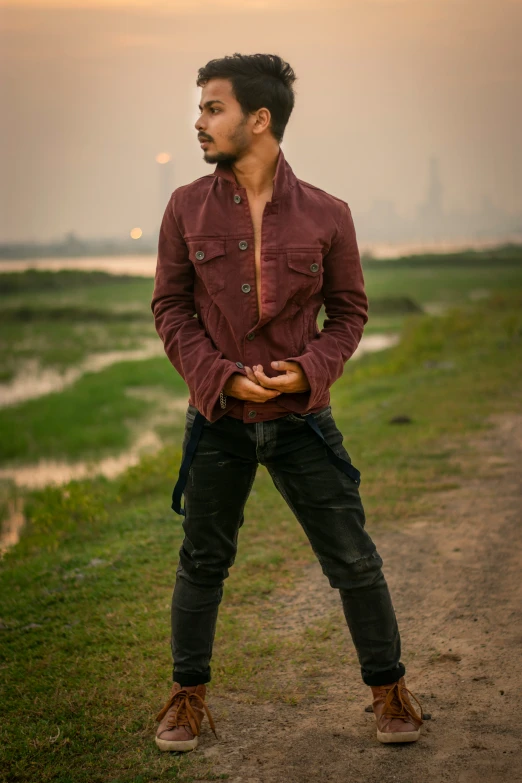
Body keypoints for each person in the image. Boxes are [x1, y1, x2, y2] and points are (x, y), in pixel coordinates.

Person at [151, 53, 423, 753]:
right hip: (218, 418)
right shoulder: (185, 206)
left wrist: (307, 372)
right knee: (202, 561)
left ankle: (389, 690)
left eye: (213, 107)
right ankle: (186, 697)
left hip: (303, 420)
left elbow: (351, 313)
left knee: (354, 560)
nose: (200, 121)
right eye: (201, 107)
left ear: (259, 118)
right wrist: (220, 377)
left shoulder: (329, 214)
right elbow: (171, 309)